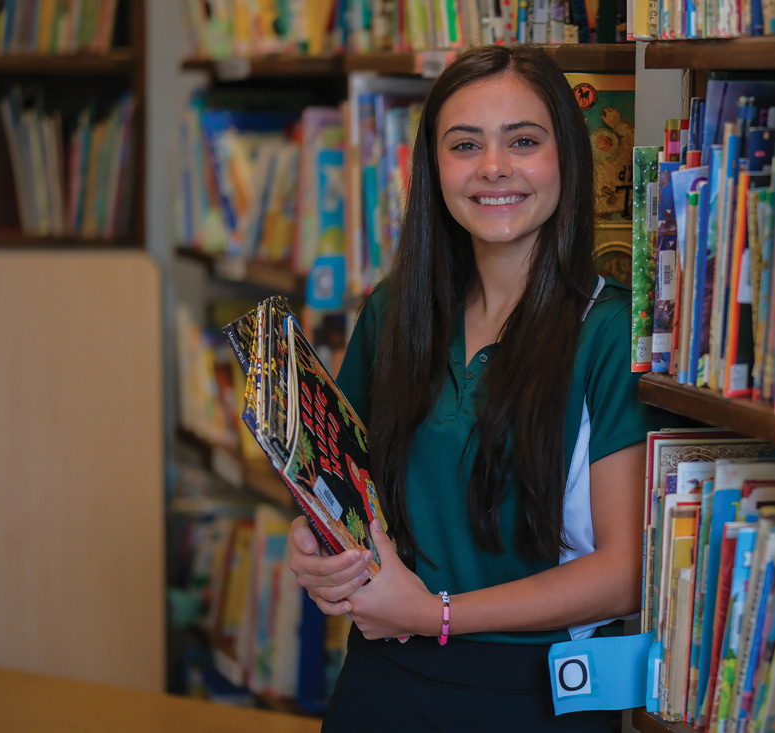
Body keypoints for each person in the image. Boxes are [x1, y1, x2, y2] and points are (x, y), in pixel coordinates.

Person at [287, 43, 685, 732]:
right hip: (380, 685)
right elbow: (340, 482)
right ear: (433, 167)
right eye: (465, 144)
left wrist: (433, 614)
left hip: (530, 697)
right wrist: (315, 544)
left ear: (567, 157)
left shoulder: (611, 331)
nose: (494, 167)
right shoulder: (395, 310)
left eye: (523, 141)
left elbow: (626, 572)